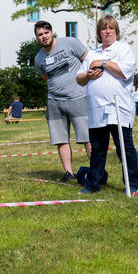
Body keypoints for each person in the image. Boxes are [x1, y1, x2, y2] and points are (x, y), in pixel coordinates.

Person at [76, 15, 138, 196]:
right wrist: (88, 75)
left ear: (116, 31)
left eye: (111, 28)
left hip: (119, 108)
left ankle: (132, 184)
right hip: (96, 109)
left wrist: (103, 63)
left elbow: (123, 72)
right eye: (104, 29)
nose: (108, 31)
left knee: (124, 147)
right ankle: (93, 183)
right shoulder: (92, 53)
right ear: (99, 33)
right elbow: (79, 78)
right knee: (97, 149)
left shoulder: (123, 49)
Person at [34, 21, 91, 182]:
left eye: (46, 33)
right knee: (60, 139)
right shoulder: (39, 58)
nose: (44, 36)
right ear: (37, 38)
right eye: (40, 34)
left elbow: (87, 60)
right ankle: (68, 173)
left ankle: (96, 171)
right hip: (54, 101)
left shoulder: (70, 43)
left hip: (78, 97)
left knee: (87, 137)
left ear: (52, 32)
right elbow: (46, 78)